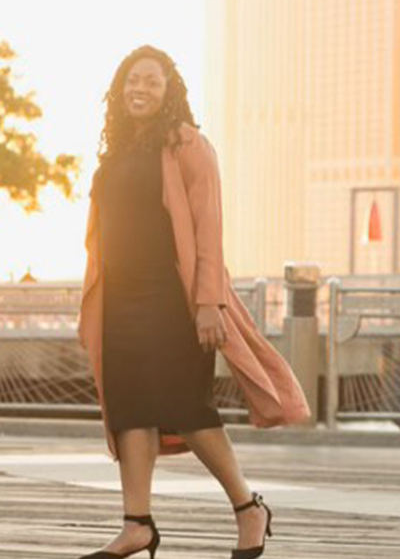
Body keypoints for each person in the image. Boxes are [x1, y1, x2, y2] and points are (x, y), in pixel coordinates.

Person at [77, 46, 309, 559]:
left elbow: (209, 229)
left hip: (173, 300)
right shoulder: (115, 153)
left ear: (169, 90)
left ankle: (249, 508)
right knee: (130, 411)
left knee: (188, 407)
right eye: (130, 80)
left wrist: (209, 303)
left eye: (151, 82)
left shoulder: (187, 145)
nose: (139, 88)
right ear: (118, 89)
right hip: (120, 300)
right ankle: (137, 523)